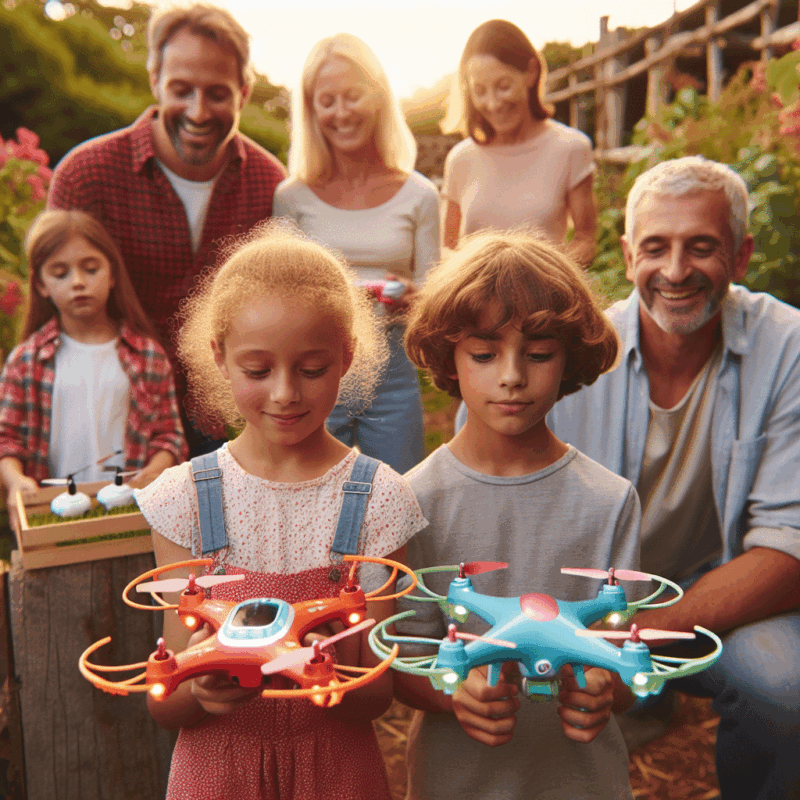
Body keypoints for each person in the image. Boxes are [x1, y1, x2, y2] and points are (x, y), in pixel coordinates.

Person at [134, 224, 427, 799]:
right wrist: (198, 689)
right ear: (219, 358)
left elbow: (376, 692)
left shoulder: (379, 499)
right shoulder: (183, 499)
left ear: (346, 356)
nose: (285, 394)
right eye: (258, 370)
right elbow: (162, 697)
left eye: (312, 369)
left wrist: (318, 670)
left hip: (335, 772)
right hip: (219, 774)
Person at [548, 156, 800, 800]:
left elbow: (787, 551)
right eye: (656, 247)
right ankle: (644, 695)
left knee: (786, 686)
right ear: (630, 255)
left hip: (730, 603)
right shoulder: (575, 356)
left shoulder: (788, 348)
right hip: (600, 603)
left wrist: (635, 642)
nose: (677, 270)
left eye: (703, 247)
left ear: (741, 257)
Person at [395, 230, 640, 800]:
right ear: (450, 359)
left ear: (569, 359)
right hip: (457, 781)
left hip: (582, 781)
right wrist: (450, 691)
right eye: (484, 354)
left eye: (538, 354)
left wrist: (607, 687)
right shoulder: (412, 498)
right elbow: (402, 655)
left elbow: (625, 652)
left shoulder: (609, 500)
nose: (511, 375)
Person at [47, 3, 287, 454]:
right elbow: (53, 316)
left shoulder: (269, 183)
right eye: (181, 89)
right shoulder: (86, 175)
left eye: (217, 93)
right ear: (154, 81)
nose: (197, 112)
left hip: (223, 423)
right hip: (111, 415)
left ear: (244, 93)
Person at [273, 33, 440, 474]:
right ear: (310, 111)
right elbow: (277, 291)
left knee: (398, 498)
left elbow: (434, 294)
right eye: (327, 100)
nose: (342, 113)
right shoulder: (291, 198)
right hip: (312, 368)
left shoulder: (420, 195)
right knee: (311, 500)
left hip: (392, 369)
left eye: (353, 95)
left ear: (379, 97)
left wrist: (413, 295)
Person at [0, 210, 187, 528]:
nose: (77, 282)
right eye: (60, 273)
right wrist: (16, 481)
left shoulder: (146, 356)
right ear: (41, 285)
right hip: (51, 516)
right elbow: (7, 439)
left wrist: (154, 472)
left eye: (90, 269)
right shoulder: (26, 361)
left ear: (112, 274)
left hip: (130, 511)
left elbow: (168, 436)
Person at [441, 19, 596, 267]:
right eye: (480, 91)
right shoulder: (461, 159)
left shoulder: (571, 148)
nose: (492, 104)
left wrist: (543, 276)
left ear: (531, 73)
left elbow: (585, 240)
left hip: (544, 298)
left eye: (503, 86)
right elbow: (447, 249)